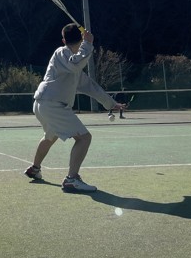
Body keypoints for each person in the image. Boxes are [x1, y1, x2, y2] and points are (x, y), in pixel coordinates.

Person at [24, 23, 127, 192]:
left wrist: (111, 103)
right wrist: (88, 43)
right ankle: (72, 179)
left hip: (42, 104)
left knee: (50, 136)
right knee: (84, 138)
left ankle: (35, 169)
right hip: (52, 105)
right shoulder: (62, 53)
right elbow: (76, 63)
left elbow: (90, 86)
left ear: (64, 39)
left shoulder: (74, 66)